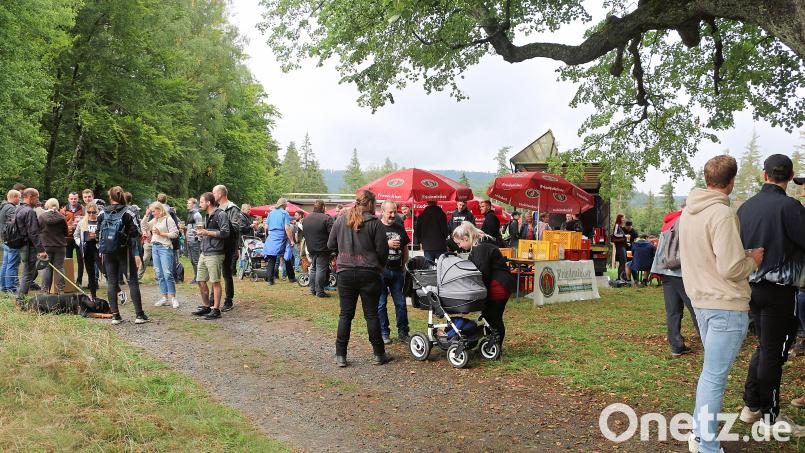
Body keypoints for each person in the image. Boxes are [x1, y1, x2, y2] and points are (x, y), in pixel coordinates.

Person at [680, 155, 763, 453]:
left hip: (701, 301)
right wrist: (752, 260)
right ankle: (707, 445)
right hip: (725, 305)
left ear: (706, 179)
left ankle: (699, 435)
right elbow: (730, 268)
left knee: (709, 375)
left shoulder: (687, 213)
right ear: (731, 182)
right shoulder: (722, 214)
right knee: (714, 378)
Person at [735, 154, 805, 434]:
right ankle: (770, 416)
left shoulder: (745, 208)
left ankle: (751, 405)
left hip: (750, 286)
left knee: (765, 347)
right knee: (773, 353)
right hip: (779, 290)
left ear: (765, 175)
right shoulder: (790, 206)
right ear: (789, 177)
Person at [328, 190, 390, 367]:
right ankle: (379, 354)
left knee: (345, 314)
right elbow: (383, 251)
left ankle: (341, 355)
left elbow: (330, 244)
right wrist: (379, 266)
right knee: (371, 315)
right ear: (370, 203)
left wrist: (340, 254)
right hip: (369, 272)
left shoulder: (341, 219)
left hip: (345, 272)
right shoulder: (375, 224)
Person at [452, 221, 515, 348]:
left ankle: (495, 345)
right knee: (491, 316)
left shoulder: (480, 248)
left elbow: (482, 273)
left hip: (498, 285)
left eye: (459, 243)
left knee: (493, 317)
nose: (459, 246)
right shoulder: (481, 245)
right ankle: (493, 343)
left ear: (466, 238)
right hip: (501, 283)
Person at [650, 206, 700, 357]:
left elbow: (660, 249)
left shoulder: (669, 221)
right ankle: (711, 343)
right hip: (682, 271)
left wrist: (657, 269)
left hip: (666, 271)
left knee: (673, 310)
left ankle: (676, 346)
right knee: (696, 308)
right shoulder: (688, 221)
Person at [98, 186, 148, 325]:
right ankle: (139, 315)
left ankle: (115, 316)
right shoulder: (129, 212)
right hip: (125, 251)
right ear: (122, 197)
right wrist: (137, 253)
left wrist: (101, 248)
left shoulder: (102, 213)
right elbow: (135, 234)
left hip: (108, 251)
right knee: (132, 281)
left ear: (110, 197)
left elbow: (98, 232)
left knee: (112, 282)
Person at [192, 192, 230, 320]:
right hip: (205, 251)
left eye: (202, 202)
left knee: (215, 281)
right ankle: (206, 306)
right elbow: (209, 233)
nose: (200, 204)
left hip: (215, 253)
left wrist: (207, 232)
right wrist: (201, 233)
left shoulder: (221, 214)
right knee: (200, 280)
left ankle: (216, 309)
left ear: (208, 203)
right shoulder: (207, 215)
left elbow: (225, 233)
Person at [378, 200, 410, 345]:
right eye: (390, 212)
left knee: (401, 303)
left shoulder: (399, 227)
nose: (392, 215)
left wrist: (404, 264)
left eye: (394, 212)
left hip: (397, 271)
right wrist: (387, 244)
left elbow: (404, 248)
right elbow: (370, 248)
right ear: (382, 211)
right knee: (381, 304)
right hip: (381, 271)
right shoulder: (376, 227)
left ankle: (403, 332)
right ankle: (384, 333)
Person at [141, 202, 180, 309]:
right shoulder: (155, 220)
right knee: (159, 273)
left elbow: (175, 233)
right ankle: (164, 297)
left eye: (154, 211)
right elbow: (144, 226)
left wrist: (161, 234)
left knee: (167, 273)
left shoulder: (168, 219)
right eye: (152, 211)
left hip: (165, 248)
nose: (153, 213)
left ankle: (173, 297)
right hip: (155, 247)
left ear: (160, 209)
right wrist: (146, 215)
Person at [15, 188, 48, 304]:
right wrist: (41, 250)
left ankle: (20, 297)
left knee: (29, 272)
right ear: (30, 197)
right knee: (28, 273)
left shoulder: (18, 208)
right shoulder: (29, 211)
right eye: (37, 197)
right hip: (28, 247)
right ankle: (20, 300)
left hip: (21, 245)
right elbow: (33, 233)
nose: (38, 200)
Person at [213, 184, 241, 311]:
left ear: (220, 194)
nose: (213, 195)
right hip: (216, 245)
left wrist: (222, 226)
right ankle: (213, 299)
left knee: (226, 273)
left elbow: (236, 227)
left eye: (214, 193)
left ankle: (228, 300)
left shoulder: (233, 208)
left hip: (228, 245)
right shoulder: (216, 208)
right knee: (214, 272)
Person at [302, 200, 334, 298]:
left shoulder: (306, 218)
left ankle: (312, 290)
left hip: (311, 248)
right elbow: (333, 234)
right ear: (323, 207)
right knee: (320, 269)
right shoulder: (326, 218)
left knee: (313, 269)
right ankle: (319, 291)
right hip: (323, 249)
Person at [38, 198, 68, 294]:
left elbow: (38, 230)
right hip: (60, 246)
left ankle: (45, 290)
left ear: (47, 205)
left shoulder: (42, 217)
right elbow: (66, 232)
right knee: (60, 267)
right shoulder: (62, 217)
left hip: (46, 245)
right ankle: (61, 290)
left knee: (47, 268)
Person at [264, 198, 296, 285]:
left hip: (271, 237)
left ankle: (270, 280)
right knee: (287, 257)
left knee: (272, 258)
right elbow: (287, 228)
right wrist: (291, 240)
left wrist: (268, 237)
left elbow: (266, 227)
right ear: (283, 205)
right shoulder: (285, 213)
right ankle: (292, 278)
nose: (286, 206)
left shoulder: (271, 213)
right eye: (286, 205)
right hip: (282, 237)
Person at [74, 202, 101, 299]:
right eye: (89, 212)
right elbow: (76, 235)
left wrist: (97, 236)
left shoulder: (100, 221)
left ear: (97, 212)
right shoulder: (82, 222)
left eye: (93, 212)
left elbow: (105, 235)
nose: (91, 214)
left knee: (105, 271)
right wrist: (80, 242)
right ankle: (93, 296)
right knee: (91, 274)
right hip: (86, 249)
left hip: (98, 249)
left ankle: (118, 291)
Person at [59, 192, 84, 286]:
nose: (73, 200)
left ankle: (79, 281)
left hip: (79, 237)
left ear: (78, 199)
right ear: (68, 199)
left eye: (75, 199)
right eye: (72, 198)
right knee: (67, 260)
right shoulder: (63, 210)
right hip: (67, 238)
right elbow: (61, 224)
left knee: (80, 260)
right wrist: (69, 226)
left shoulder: (83, 209)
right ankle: (68, 281)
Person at [0, 189, 21, 293]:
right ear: (14, 197)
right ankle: (11, 288)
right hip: (12, 240)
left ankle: (3, 287)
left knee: (5, 264)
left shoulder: (3, 206)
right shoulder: (11, 208)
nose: (20, 200)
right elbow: (15, 224)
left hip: (5, 239)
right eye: (19, 197)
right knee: (12, 265)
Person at [185, 197, 203, 284]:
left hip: (195, 240)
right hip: (189, 240)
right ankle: (196, 277)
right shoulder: (190, 214)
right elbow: (190, 227)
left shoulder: (197, 215)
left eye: (189, 203)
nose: (187, 205)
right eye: (187, 203)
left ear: (194, 204)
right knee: (192, 260)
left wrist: (198, 239)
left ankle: (199, 278)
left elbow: (200, 228)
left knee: (196, 260)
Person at [611, 214, 627, 280]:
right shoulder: (617, 225)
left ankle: (621, 277)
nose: (623, 219)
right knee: (623, 261)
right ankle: (621, 277)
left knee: (623, 262)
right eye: (622, 218)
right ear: (619, 218)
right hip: (620, 246)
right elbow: (615, 234)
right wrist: (623, 236)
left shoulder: (620, 226)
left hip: (622, 246)